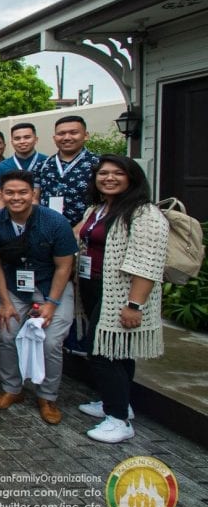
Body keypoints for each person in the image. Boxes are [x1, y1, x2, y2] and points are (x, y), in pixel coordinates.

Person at [75, 155, 169, 443]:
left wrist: (134, 305)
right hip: (94, 287)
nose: (109, 178)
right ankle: (117, 403)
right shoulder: (98, 208)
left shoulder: (144, 214)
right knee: (118, 351)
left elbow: (147, 263)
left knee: (103, 352)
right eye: (103, 173)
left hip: (120, 294)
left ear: (132, 178)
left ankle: (118, 420)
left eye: (118, 173)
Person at [0, 170, 77, 425]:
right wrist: (4, 302)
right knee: (6, 334)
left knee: (51, 342)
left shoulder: (55, 222)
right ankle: (12, 389)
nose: (16, 198)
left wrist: (52, 304)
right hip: (15, 288)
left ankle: (47, 396)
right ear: (1, 195)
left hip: (52, 288)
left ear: (34, 194)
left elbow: (64, 267)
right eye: (10, 193)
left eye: (23, 192)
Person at [35, 115, 99, 226]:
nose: (67, 137)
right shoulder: (43, 165)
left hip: (86, 230)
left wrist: (81, 228)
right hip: (48, 228)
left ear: (86, 136)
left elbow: (105, 202)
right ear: (54, 138)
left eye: (73, 132)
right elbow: (34, 198)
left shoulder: (98, 164)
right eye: (61, 134)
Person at [0, 122, 46, 207]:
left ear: (36, 139)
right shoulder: (2, 167)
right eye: (17, 138)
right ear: (12, 142)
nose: (22, 141)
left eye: (27, 137)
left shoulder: (47, 163)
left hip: (43, 216)